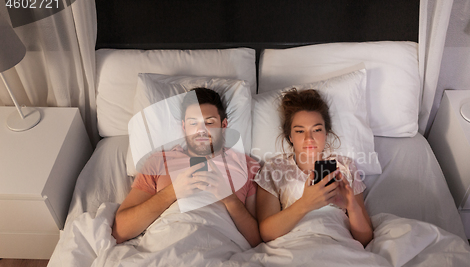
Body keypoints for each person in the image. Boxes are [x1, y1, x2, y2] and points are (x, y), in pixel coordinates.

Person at [112, 87, 261, 247]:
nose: (201, 130)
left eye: (209, 123)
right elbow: (120, 231)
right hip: (166, 246)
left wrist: (229, 199)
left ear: (224, 125)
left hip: (220, 248)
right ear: (184, 127)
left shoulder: (246, 166)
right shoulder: (159, 161)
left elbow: (256, 240)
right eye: (193, 123)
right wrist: (172, 192)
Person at [255, 88, 373, 247]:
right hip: (293, 247)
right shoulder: (274, 168)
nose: (308, 138)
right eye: (299, 131)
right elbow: (266, 233)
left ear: (326, 133)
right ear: (290, 137)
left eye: (317, 130)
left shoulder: (345, 166)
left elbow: (365, 239)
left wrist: (352, 207)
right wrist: (305, 204)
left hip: (339, 247)